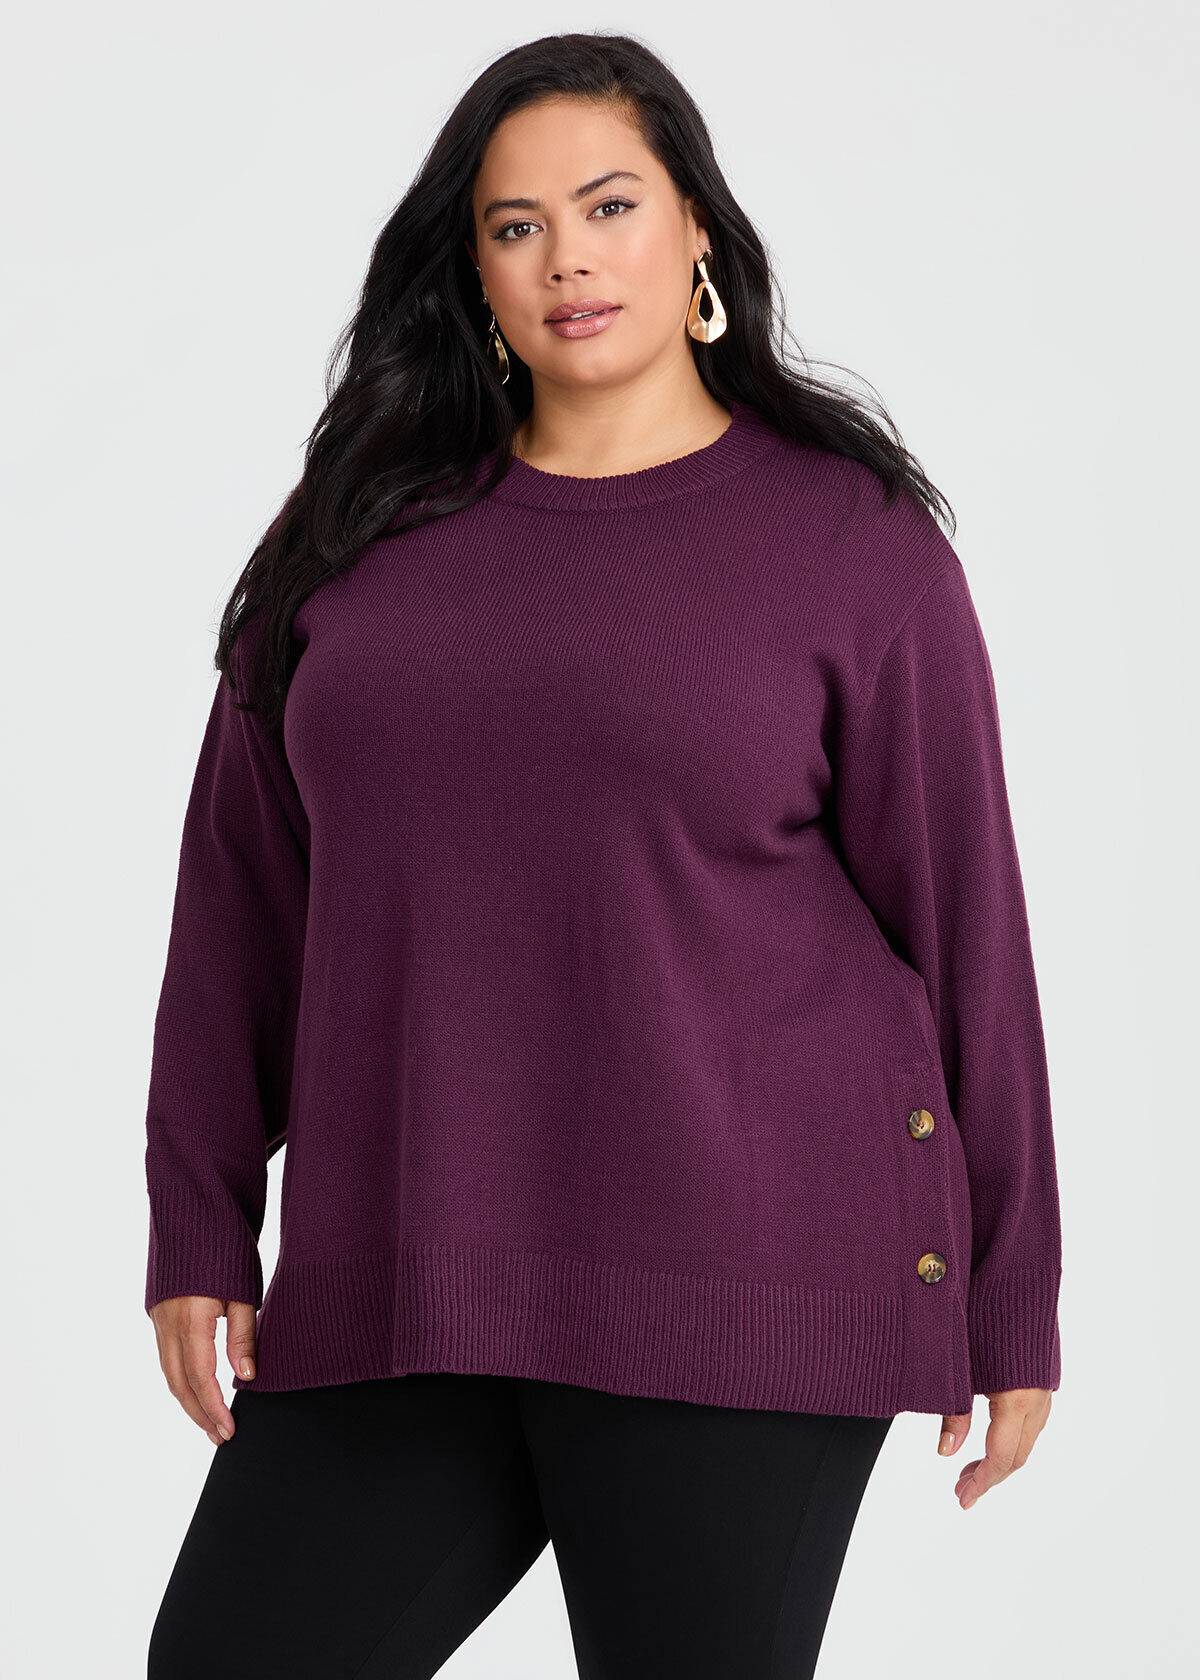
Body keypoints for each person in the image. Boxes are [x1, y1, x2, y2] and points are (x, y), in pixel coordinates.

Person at [143, 31, 1064, 1680]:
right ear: (473, 270)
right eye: (516, 225)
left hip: (746, 1274)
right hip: (410, 1264)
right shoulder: (352, 533)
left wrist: (1012, 1292)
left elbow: (968, 934)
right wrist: (198, 1217)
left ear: (695, 224)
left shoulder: (852, 548)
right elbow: (240, 906)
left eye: (610, 204)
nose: (567, 256)